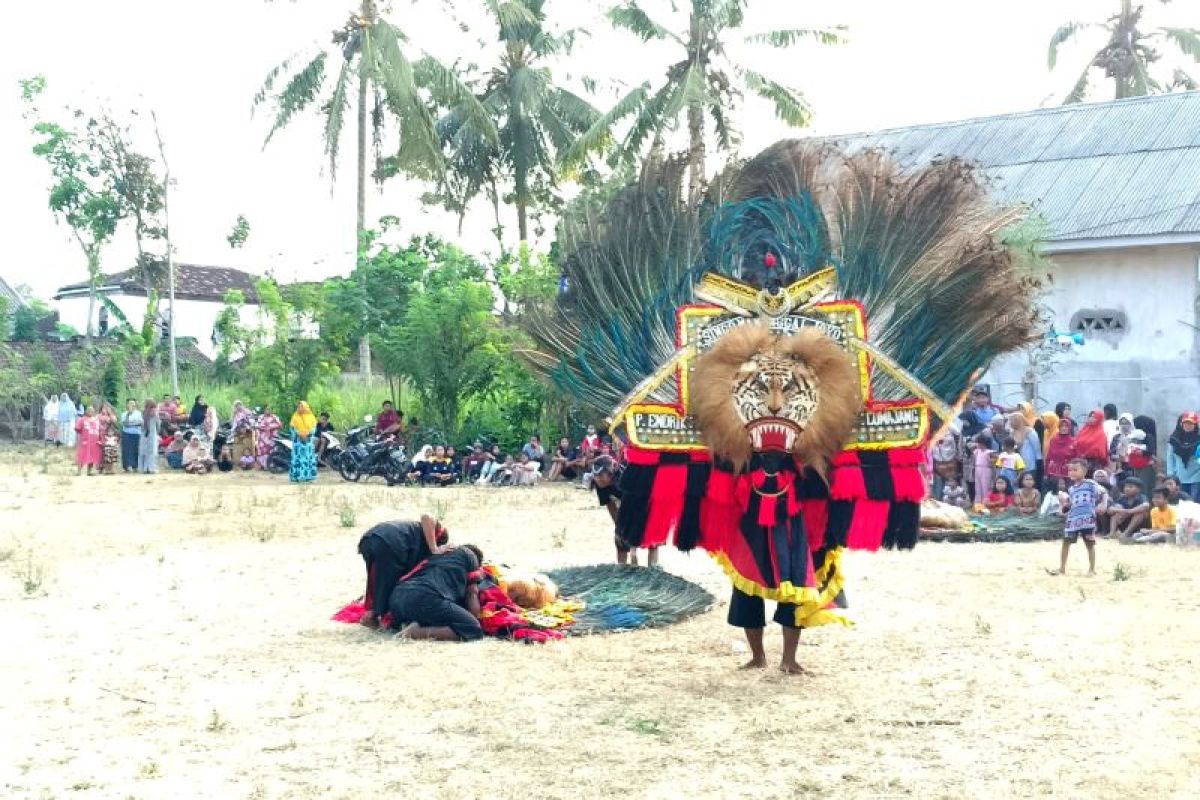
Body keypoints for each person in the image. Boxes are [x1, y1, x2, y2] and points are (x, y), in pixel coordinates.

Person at [357, 515, 450, 627]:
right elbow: (426, 517)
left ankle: (374, 614)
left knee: (377, 579)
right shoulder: (429, 531)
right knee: (388, 583)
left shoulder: (414, 539)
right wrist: (434, 548)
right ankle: (374, 616)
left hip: (370, 539)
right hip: (390, 542)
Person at [388, 545, 485, 642]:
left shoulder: (437, 553)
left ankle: (407, 624)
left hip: (396, 598)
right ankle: (415, 633)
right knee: (473, 628)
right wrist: (471, 619)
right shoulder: (470, 556)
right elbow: (472, 596)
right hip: (424, 596)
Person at [1050, 458, 1100, 576]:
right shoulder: (1071, 489)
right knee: (1066, 542)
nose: (1071, 472)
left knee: (1089, 543)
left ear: (1084, 471)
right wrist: (1064, 505)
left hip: (1087, 518)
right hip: (1073, 519)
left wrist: (1102, 504)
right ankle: (1062, 568)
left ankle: (1092, 569)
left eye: (1075, 470)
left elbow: (1102, 493)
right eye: (1070, 470)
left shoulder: (1091, 484)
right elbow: (1071, 504)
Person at [1167, 412, 1200, 500]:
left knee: (1194, 503)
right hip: (1179, 476)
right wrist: (1170, 474)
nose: (1188, 425)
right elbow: (1170, 457)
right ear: (1181, 424)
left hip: (1196, 476)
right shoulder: (1174, 439)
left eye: (1191, 423)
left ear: (1195, 425)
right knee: (1181, 502)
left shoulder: (1198, 438)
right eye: (1186, 423)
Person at [1009, 412, 1041, 488]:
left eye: (1012, 421)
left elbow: (1037, 448)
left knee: (1028, 484)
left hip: (1029, 463)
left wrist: (1039, 461)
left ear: (1018, 420)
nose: (1010, 423)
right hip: (1016, 464)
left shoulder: (1030, 432)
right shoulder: (1012, 433)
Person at [1044, 416, 1077, 491]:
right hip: (1054, 471)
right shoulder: (1054, 440)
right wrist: (1046, 473)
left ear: (1069, 428)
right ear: (1059, 427)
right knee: (1054, 491)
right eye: (1062, 426)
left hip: (1068, 472)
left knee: (1069, 491)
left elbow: (1077, 458)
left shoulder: (1074, 441)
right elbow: (1049, 457)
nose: (1064, 428)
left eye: (1066, 426)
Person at [289, 401, 318, 483]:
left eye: (301, 407)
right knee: (298, 458)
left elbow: (314, 428)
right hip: (298, 442)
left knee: (307, 458)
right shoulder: (295, 416)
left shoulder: (311, 417)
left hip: (308, 441)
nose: (299, 408)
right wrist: (299, 434)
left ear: (305, 407)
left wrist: (308, 434)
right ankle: (296, 477)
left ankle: (309, 477)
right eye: (298, 407)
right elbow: (292, 428)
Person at [929, 428, 961, 502]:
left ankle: (954, 501)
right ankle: (939, 500)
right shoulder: (930, 431)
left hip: (950, 460)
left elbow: (958, 433)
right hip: (938, 461)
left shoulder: (950, 428)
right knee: (939, 483)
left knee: (951, 482)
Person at [74, 406, 103, 475]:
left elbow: (100, 429)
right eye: (89, 410)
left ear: (94, 411)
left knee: (92, 456)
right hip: (85, 441)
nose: (90, 411)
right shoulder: (82, 419)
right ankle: (79, 471)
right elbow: (77, 428)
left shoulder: (96, 420)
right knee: (82, 455)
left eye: (92, 410)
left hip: (94, 441)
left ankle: (89, 471)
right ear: (86, 411)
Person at [971, 433, 995, 507]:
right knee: (978, 488)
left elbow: (992, 464)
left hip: (986, 470)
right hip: (978, 469)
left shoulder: (989, 452)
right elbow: (972, 453)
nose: (977, 444)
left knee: (986, 487)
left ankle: (986, 504)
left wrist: (994, 474)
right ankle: (978, 504)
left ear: (983, 443)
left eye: (978, 443)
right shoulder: (977, 451)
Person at [119, 399, 143, 473]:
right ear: (127, 405)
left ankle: (135, 466)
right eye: (130, 404)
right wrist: (128, 415)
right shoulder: (124, 414)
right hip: (126, 433)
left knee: (135, 450)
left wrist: (131, 424)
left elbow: (141, 423)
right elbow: (125, 424)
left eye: (133, 404)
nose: (131, 405)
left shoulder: (139, 413)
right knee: (127, 450)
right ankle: (127, 466)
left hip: (136, 433)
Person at [97, 403, 120, 475]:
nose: (105, 409)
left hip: (110, 435)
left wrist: (110, 414)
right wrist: (102, 427)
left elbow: (114, 421)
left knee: (110, 452)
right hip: (100, 434)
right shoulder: (98, 416)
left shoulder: (112, 416)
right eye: (104, 408)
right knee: (101, 451)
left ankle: (110, 468)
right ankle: (101, 467)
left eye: (107, 408)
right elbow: (96, 423)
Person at [139, 399, 160, 474]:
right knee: (151, 451)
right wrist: (158, 431)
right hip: (152, 433)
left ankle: (144, 468)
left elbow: (141, 424)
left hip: (144, 434)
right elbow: (158, 424)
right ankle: (151, 468)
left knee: (144, 451)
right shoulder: (154, 412)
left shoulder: (143, 412)